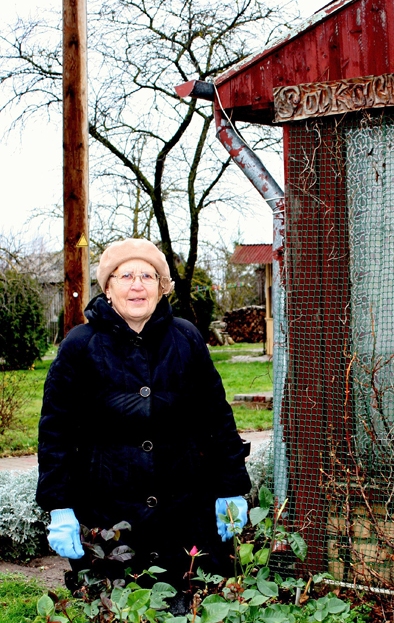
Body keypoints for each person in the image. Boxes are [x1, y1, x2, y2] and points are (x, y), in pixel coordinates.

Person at [36, 238, 250, 595]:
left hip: (185, 512)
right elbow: (55, 433)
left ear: (162, 287)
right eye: (126, 276)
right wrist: (59, 506)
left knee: (193, 617)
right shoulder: (80, 346)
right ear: (108, 287)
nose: (137, 285)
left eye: (148, 276)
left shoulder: (186, 338)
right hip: (108, 517)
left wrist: (231, 488)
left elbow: (216, 419)